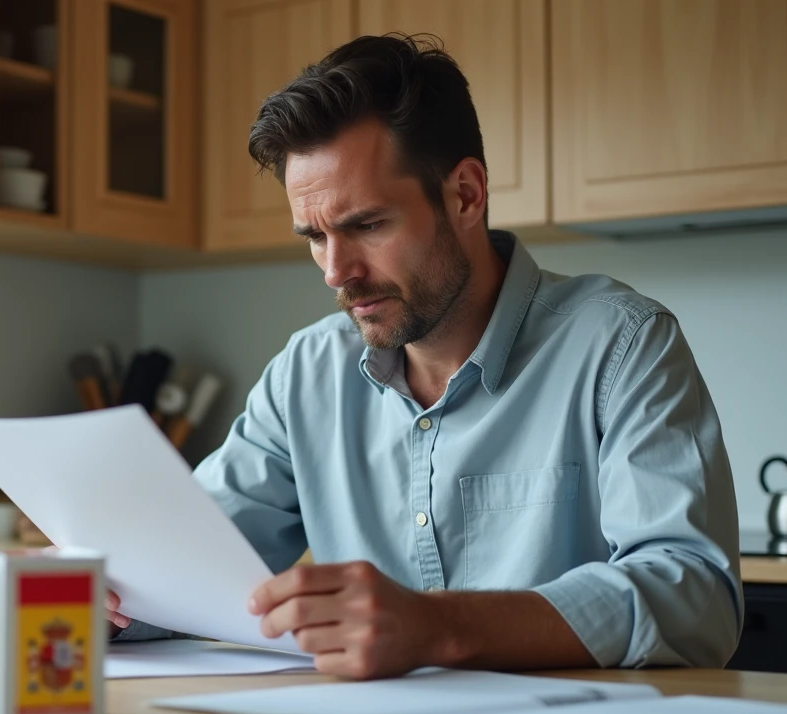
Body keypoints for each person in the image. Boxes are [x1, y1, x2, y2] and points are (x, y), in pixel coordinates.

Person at [106, 34, 742, 679]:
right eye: (316, 238)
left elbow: (694, 595)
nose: (336, 271)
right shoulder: (306, 374)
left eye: (367, 225)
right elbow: (191, 565)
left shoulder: (620, 343)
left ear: (465, 193)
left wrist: (440, 627)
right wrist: (97, 590)